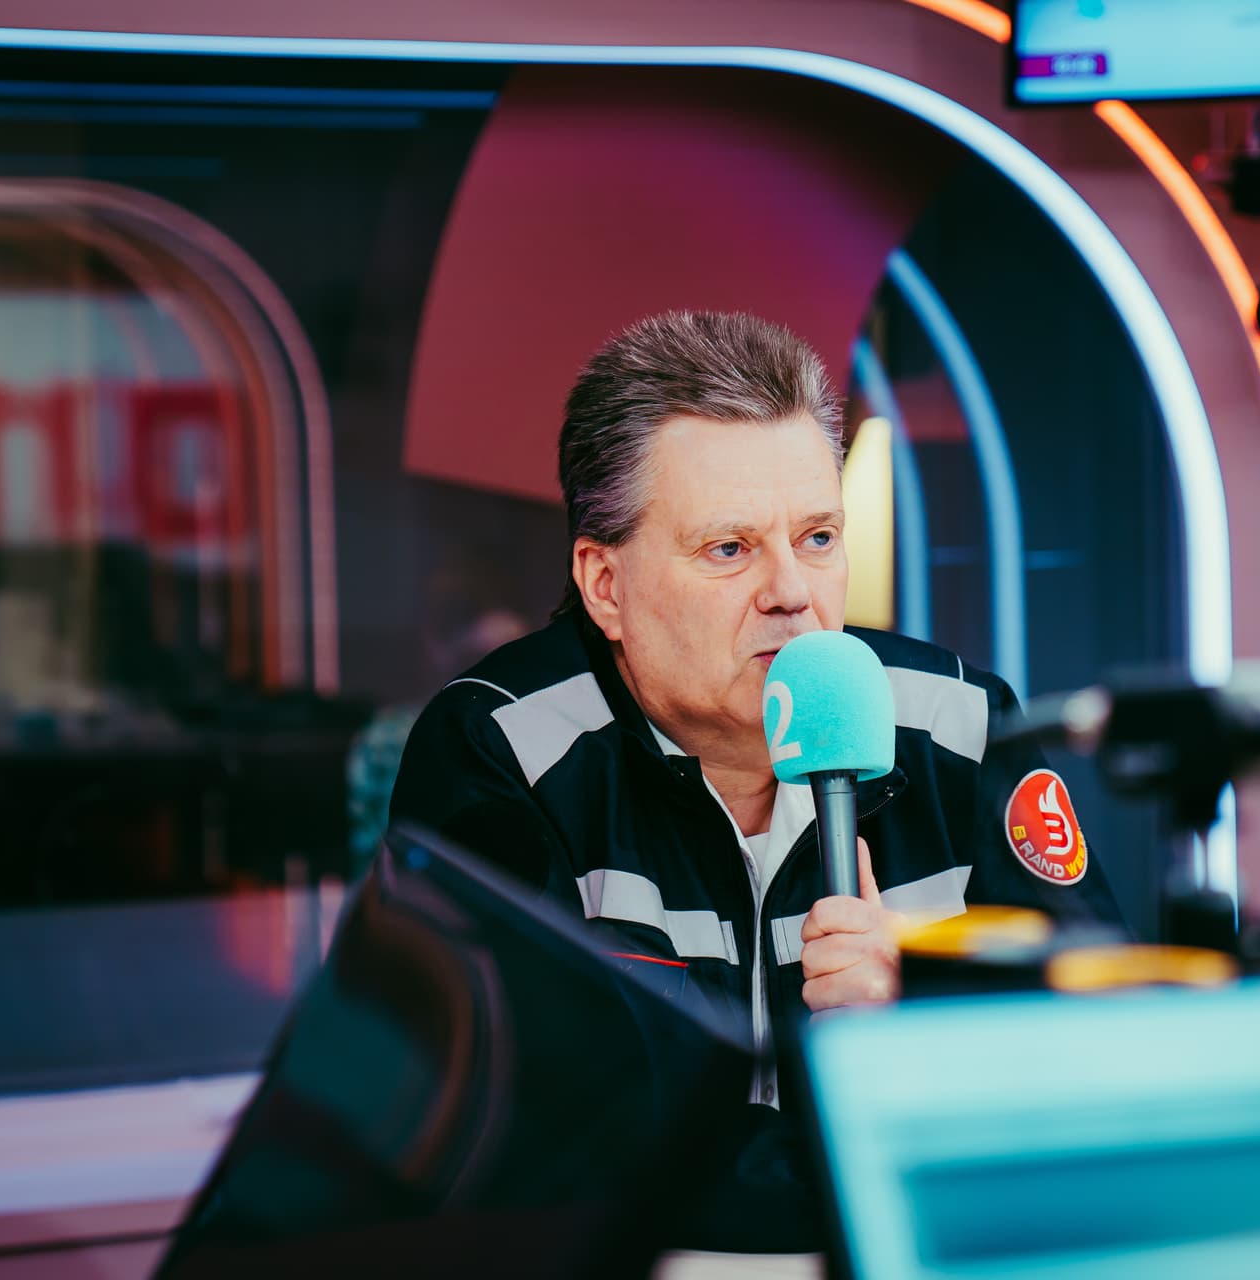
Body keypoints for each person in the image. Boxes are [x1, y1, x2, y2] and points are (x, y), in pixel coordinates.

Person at [388, 310, 1123, 1248]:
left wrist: (925, 1021)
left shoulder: (961, 724)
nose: (792, 593)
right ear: (605, 585)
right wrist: (856, 1166)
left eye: (817, 537)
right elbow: (513, 1141)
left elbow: (1108, 1047)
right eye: (729, 549)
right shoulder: (502, 750)